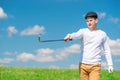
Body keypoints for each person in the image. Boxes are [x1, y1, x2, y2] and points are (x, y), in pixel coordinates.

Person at [64, 11, 113, 80]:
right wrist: (69, 36)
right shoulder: (83, 31)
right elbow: (75, 35)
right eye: (87, 21)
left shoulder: (102, 34)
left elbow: (107, 50)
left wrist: (110, 64)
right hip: (83, 65)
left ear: (96, 20)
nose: (89, 23)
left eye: (91, 20)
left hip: (95, 66)